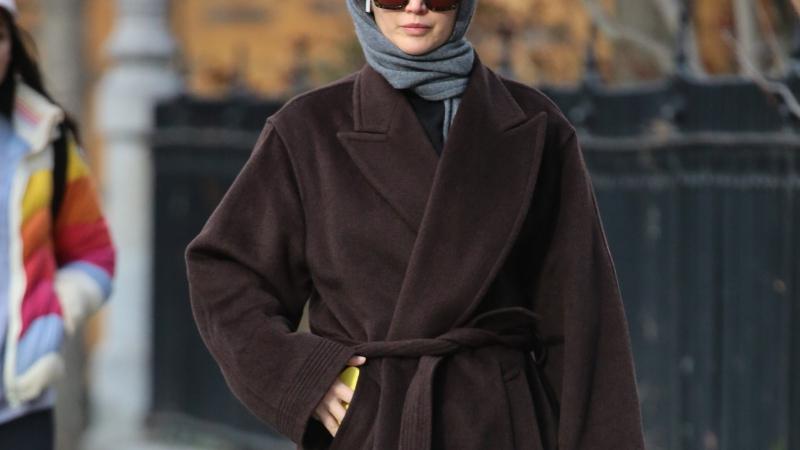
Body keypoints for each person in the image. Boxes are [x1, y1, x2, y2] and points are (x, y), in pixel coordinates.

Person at [186, 0, 644, 448]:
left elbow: (582, 318)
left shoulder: (535, 126)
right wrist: (305, 378)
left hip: (499, 422)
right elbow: (226, 274)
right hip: (372, 422)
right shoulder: (308, 129)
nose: (416, 7)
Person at [0, 1, 115, 447]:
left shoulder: (46, 138)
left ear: (12, 46)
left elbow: (94, 254)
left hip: (20, 406)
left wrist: (51, 315)